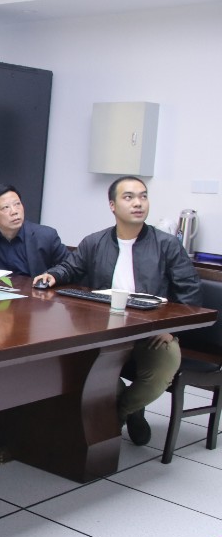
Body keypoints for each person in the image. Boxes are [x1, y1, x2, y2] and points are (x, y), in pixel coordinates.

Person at [35, 176, 202, 446]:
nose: (138, 203)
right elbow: (70, 267)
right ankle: (130, 411)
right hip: (105, 331)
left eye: (143, 196)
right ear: (112, 205)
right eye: (129, 197)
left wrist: (171, 329)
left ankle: (118, 415)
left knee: (164, 365)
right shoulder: (95, 242)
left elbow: (190, 292)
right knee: (86, 366)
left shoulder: (167, 245)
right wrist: (53, 275)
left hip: (151, 332)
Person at [0, 183, 69, 276]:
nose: (14, 211)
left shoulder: (46, 236)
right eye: (6, 207)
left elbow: (69, 268)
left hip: (32, 285)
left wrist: (53, 275)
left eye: (17, 204)